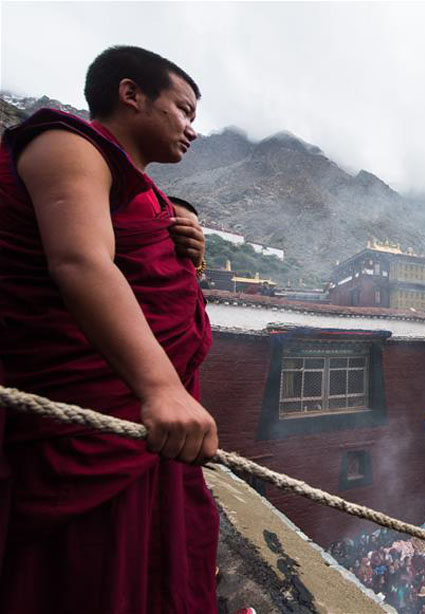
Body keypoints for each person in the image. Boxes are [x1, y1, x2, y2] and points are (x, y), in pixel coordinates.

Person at [0, 46, 218, 612]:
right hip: (94, 419)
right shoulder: (67, 144)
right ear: (131, 94)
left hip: (139, 435)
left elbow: (149, 283)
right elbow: (79, 262)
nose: (192, 129)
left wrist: (187, 254)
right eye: (184, 109)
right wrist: (160, 388)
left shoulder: (150, 197)